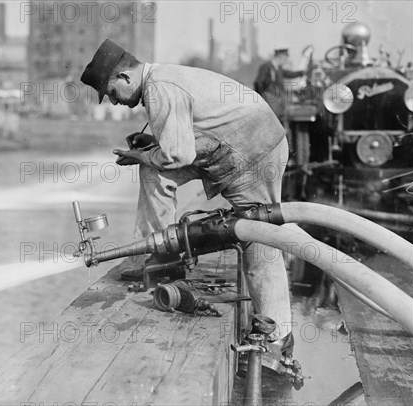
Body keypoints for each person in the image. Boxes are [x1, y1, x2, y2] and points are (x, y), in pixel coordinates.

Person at [80, 39, 293, 353]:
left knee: (258, 233)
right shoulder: (162, 79)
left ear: (126, 78)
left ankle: (277, 336)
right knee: (155, 171)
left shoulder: (158, 88)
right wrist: (153, 144)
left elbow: (177, 155)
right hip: (235, 146)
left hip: (255, 152)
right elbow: (192, 135)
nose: (114, 102)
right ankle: (160, 258)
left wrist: (144, 155)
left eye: (112, 93)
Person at [254, 48, 306, 124]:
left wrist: (301, 73)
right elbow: (258, 82)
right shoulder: (266, 66)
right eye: (286, 57)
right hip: (271, 100)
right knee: (272, 122)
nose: (286, 60)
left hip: (279, 100)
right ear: (280, 56)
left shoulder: (278, 68)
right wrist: (261, 99)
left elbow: (289, 74)